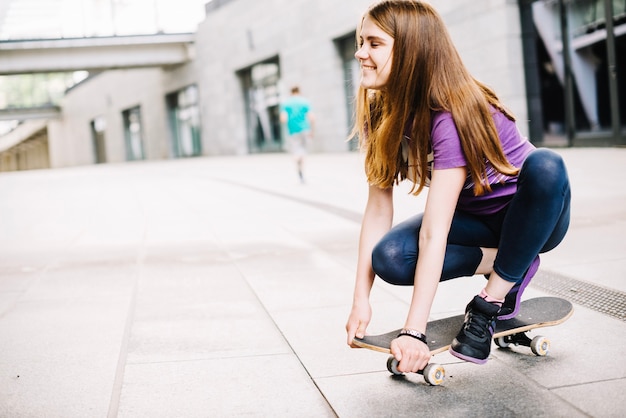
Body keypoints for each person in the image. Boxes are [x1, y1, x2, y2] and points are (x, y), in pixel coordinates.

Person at [345, 0, 571, 373]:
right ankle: (510, 265)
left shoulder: (449, 112)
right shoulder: (378, 112)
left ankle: (490, 301)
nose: (360, 53)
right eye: (360, 41)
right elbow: (378, 208)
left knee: (547, 164)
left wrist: (413, 331)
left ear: (411, 50)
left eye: (373, 43)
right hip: (476, 220)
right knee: (389, 257)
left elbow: (435, 233)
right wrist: (360, 299)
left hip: (534, 216)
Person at [280, 86, 315, 182]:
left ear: (291, 92)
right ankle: (302, 170)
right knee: (303, 150)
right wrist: (312, 131)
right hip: (305, 129)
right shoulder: (304, 101)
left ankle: (297, 161)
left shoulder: (286, 103)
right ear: (299, 91)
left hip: (293, 131)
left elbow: (283, 118)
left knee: (296, 150)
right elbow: (312, 117)